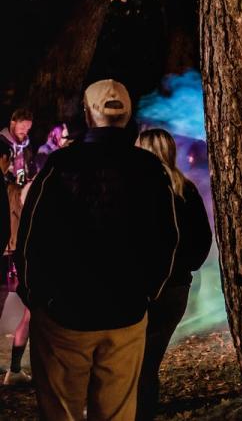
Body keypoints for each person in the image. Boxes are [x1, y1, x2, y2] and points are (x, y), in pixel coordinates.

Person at [14, 79, 180, 421]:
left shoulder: (59, 166)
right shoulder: (150, 170)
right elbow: (167, 241)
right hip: (125, 314)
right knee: (117, 414)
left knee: (61, 412)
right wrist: (148, 294)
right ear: (128, 115)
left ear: (87, 115)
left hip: (64, 314)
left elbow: (31, 238)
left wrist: (36, 296)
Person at [135, 129, 213, 420]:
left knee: (133, 361)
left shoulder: (134, 188)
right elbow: (203, 239)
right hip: (175, 288)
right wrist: (184, 268)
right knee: (148, 361)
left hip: (141, 288)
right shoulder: (186, 188)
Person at [1, 142, 31, 386]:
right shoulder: (10, 189)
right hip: (13, 252)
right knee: (25, 312)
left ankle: (14, 369)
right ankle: (14, 369)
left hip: (13, 252)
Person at [0, 108, 36, 185]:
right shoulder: (2, 144)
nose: (25, 132)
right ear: (13, 124)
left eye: (28, 129)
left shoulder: (26, 146)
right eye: (23, 127)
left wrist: (22, 183)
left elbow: (23, 175)